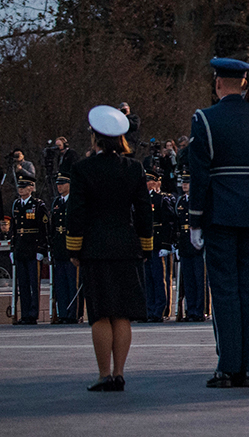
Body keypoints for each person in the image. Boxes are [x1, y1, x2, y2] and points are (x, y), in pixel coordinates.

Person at [185, 57, 249, 388]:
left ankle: (229, 366)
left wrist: (195, 220)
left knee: (225, 289)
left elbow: (200, 173)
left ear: (218, 83)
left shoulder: (205, 119)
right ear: (242, 83)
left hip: (221, 212)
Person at [67, 105, 153, 391]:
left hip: (95, 247)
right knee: (122, 313)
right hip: (126, 246)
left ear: (96, 138)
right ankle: (119, 372)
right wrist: (145, 245)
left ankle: (104, 374)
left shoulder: (82, 170)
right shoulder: (134, 168)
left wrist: (74, 248)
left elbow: (76, 212)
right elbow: (143, 211)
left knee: (101, 313)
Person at [9, 173, 48, 324]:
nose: (21, 189)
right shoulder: (16, 205)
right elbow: (14, 228)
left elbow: (43, 228)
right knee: (23, 284)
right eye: (19, 187)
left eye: (24, 187)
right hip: (20, 249)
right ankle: (24, 313)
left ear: (31, 188)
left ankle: (33, 313)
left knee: (33, 284)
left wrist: (41, 249)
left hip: (33, 248)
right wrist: (13, 248)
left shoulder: (38, 205)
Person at [140, 167, 174, 322]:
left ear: (155, 183)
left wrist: (166, 244)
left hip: (157, 243)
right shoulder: (141, 199)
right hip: (145, 245)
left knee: (159, 277)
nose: (146, 183)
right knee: (147, 278)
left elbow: (167, 223)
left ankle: (159, 309)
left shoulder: (161, 199)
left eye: (149, 180)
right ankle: (148, 308)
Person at [174, 177, 207, 321]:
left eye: (187, 182)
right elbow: (177, 224)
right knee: (188, 281)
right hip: (185, 245)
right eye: (183, 182)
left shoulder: (200, 200)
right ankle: (190, 309)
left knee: (200, 280)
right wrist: (175, 244)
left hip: (198, 245)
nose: (184, 185)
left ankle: (200, 311)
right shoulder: (180, 201)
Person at [50, 173, 82, 323]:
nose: (59, 186)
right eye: (58, 183)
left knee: (72, 282)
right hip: (59, 248)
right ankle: (63, 313)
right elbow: (53, 227)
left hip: (72, 247)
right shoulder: (57, 202)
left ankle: (74, 313)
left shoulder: (75, 201)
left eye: (62, 183)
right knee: (61, 284)